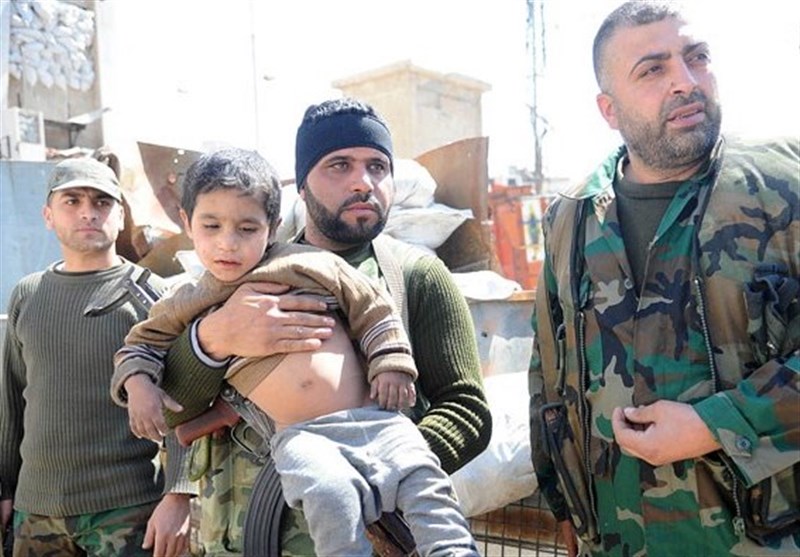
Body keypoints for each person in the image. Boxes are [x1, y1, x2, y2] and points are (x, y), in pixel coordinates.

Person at [163, 97, 493, 555]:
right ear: (302, 185)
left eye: (378, 167)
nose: (363, 182)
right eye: (339, 165)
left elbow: (467, 410)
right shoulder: (235, 267)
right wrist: (215, 338)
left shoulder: (414, 276)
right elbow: (171, 410)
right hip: (237, 537)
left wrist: (376, 467)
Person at [528, 2, 800, 556]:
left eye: (696, 58)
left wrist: (718, 424)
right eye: (653, 69)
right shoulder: (571, 217)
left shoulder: (783, 187)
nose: (686, 82)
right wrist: (563, 506)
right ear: (609, 109)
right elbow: (548, 373)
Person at [0, 158, 193, 556]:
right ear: (48, 215)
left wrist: (178, 493)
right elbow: (11, 402)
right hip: (35, 512)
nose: (88, 212)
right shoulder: (27, 294)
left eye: (102, 202)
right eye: (72, 201)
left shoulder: (153, 295)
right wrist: (4, 487)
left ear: (120, 217)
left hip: (127, 511)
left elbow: (185, 402)